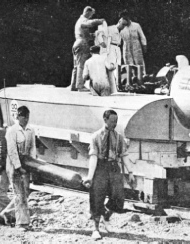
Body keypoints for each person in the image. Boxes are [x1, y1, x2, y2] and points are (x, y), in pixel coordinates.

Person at [83, 110, 135, 240]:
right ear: (105, 120)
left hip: (113, 167)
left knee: (118, 197)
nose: (115, 124)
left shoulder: (119, 137)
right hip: (100, 167)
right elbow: (93, 157)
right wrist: (90, 176)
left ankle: (106, 214)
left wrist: (131, 172)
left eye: (116, 121)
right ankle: (95, 229)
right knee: (97, 198)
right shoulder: (95, 137)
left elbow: (124, 156)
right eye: (112, 121)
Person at [4, 106, 36, 231]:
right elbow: (12, 151)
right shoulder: (11, 131)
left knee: (25, 193)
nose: (26, 120)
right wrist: (18, 167)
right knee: (19, 194)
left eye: (27, 117)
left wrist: (32, 164)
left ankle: (8, 213)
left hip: (27, 163)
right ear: (18, 117)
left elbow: (32, 147)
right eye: (23, 117)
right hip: (14, 165)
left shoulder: (30, 130)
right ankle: (21, 223)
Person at [70, 6, 104, 91]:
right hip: (82, 43)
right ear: (87, 12)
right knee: (81, 65)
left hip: (78, 43)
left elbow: (85, 32)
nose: (91, 16)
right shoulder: (82, 20)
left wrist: (93, 34)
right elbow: (88, 23)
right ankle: (80, 86)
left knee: (76, 66)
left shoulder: (80, 20)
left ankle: (74, 85)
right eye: (91, 14)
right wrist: (99, 21)